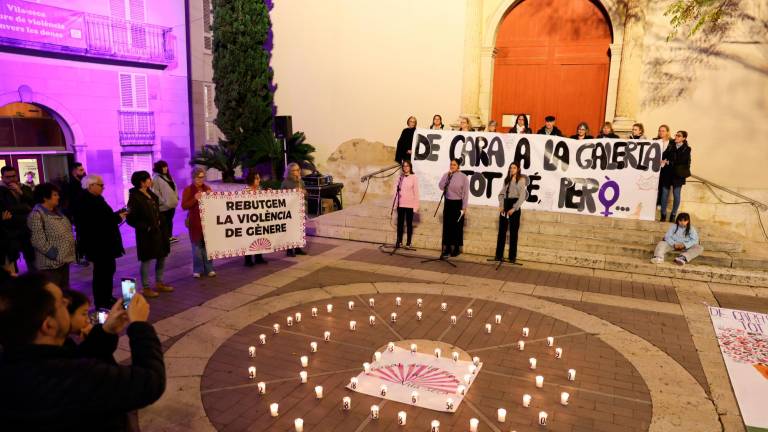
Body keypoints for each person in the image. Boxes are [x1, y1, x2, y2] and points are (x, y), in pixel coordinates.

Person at [0, 273, 165, 431]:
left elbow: (78, 357)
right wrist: (140, 326)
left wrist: (106, 331)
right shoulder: (70, 377)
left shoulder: (16, 364)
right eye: (62, 303)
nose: (67, 301)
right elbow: (150, 381)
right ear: (48, 325)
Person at [75, 174, 127, 309]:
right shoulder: (86, 201)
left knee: (108, 270)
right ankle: (102, 301)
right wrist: (117, 218)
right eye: (101, 185)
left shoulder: (96, 198)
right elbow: (98, 222)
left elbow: (105, 217)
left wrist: (117, 215)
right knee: (101, 273)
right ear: (91, 186)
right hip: (98, 244)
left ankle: (107, 297)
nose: (103, 188)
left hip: (104, 243)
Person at [126, 171, 173, 296]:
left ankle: (159, 282)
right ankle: (146, 287)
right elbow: (130, 219)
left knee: (162, 255)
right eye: (148, 179)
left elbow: (157, 210)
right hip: (146, 234)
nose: (150, 180)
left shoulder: (151, 194)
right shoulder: (134, 197)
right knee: (146, 259)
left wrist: (162, 222)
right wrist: (146, 227)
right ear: (142, 182)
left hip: (159, 231)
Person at [27, 183, 75, 291]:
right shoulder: (37, 215)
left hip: (63, 261)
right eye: (55, 195)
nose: (58, 197)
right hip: (50, 265)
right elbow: (37, 240)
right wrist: (54, 254)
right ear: (45, 197)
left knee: (64, 292)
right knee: (54, 294)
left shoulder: (57, 212)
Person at [181, 167, 216, 278]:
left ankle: (209, 268)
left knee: (207, 246)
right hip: (195, 222)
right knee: (196, 247)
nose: (201, 180)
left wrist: (212, 197)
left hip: (206, 222)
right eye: (198, 177)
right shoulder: (188, 190)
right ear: (193, 177)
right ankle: (198, 269)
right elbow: (184, 206)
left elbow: (214, 205)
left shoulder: (207, 188)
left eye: (202, 177)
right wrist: (195, 199)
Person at [0, 165, 35, 272]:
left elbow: (34, 204)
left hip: (27, 229)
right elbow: (7, 210)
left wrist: (20, 192)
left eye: (13, 176)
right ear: (2, 178)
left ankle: (35, 283)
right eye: (8, 177)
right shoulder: (1, 191)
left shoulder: (25, 188)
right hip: (10, 231)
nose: (11, 179)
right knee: (12, 261)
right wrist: (25, 208)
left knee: (31, 259)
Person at [494, 162, 528, 263]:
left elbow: (522, 196)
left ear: (518, 169)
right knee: (501, 231)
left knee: (513, 232)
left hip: (514, 206)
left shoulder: (521, 180)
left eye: (514, 168)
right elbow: (501, 194)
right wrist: (501, 205)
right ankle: (498, 255)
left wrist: (514, 208)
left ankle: (512, 257)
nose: (512, 169)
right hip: (505, 204)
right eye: (510, 168)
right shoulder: (507, 180)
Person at [438, 158, 469, 258]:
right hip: (448, 202)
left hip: (458, 204)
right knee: (447, 226)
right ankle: (447, 248)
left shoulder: (463, 177)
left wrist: (464, 207)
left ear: (458, 166)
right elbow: (441, 186)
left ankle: (456, 248)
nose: (452, 166)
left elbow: (465, 193)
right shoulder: (447, 175)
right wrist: (447, 176)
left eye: (454, 165)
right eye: (451, 164)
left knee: (457, 226)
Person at [659, 131, 691, 222]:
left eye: (679, 136)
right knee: (664, 194)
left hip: (678, 175)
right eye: (676, 135)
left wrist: (669, 162)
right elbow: (664, 154)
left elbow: (682, 161)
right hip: (668, 173)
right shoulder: (671, 145)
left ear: (684, 138)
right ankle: (663, 214)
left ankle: (673, 214)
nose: (676, 137)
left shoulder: (687, 149)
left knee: (676, 195)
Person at [281, 162, 308, 257]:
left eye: (298, 169)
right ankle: (289, 249)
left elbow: (306, 193)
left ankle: (297, 248)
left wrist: (303, 192)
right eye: (294, 170)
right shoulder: (285, 182)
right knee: (290, 230)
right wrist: (293, 192)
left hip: (299, 209)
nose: (297, 172)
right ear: (289, 172)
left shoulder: (301, 181)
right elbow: (282, 196)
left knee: (298, 230)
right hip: (290, 210)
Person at [152, 160, 179, 244]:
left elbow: (173, 188)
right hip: (164, 206)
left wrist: (176, 197)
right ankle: (165, 238)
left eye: (166, 166)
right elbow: (155, 193)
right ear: (159, 168)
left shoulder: (167, 176)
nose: (165, 168)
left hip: (171, 204)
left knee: (169, 221)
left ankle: (169, 237)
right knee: (164, 223)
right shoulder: (156, 178)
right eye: (163, 167)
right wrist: (164, 202)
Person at [394, 160, 419, 250]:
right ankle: (399, 241)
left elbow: (416, 193)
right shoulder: (400, 177)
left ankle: (408, 242)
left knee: (409, 224)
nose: (405, 167)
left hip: (410, 205)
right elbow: (396, 191)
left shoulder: (414, 177)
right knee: (400, 224)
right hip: (401, 204)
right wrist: (395, 204)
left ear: (410, 167)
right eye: (404, 166)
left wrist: (415, 207)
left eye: (407, 166)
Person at [244, 170, 267, 266]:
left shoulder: (259, 190)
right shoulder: (246, 191)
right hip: (249, 220)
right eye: (257, 178)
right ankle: (248, 260)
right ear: (251, 179)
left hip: (259, 219)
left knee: (259, 237)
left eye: (259, 178)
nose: (259, 180)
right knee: (249, 239)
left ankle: (258, 257)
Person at [655, 124, 673, 208]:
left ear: (667, 132)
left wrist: (667, 161)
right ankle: (654, 203)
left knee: (664, 187)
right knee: (655, 186)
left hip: (666, 168)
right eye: (660, 130)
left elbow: (673, 155)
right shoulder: (655, 140)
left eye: (663, 131)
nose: (661, 132)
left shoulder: (672, 142)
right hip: (655, 167)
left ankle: (660, 204)